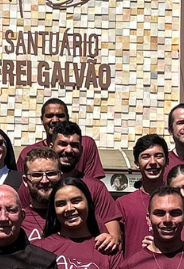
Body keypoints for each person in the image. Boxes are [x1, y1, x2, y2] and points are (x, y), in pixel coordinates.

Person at [41, 122, 124, 251]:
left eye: (74, 145)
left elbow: (115, 237)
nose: (68, 150)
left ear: (81, 149)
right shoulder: (39, 184)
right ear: (51, 146)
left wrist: (109, 240)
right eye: (62, 144)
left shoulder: (96, 187)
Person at [17, 98, 106, 180]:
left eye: (60, 115)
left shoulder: (86, 144)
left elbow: (92, 184)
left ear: (67, 117)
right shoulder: (27, 153)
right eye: (49, 116)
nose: (55, 120)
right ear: (42, 119)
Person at [113, 135, 172, 253]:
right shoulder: (123, 204)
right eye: (146, 157)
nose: (153, 162)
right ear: (136, 163)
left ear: (167, 161)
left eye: (158, 156)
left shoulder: (176, 201)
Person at [15, 146, 65, 240]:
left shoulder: (77, 218)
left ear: (60, 177)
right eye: (37, 175)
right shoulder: (17, 222)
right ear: (25, 180)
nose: (44, 180)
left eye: (51, 174)